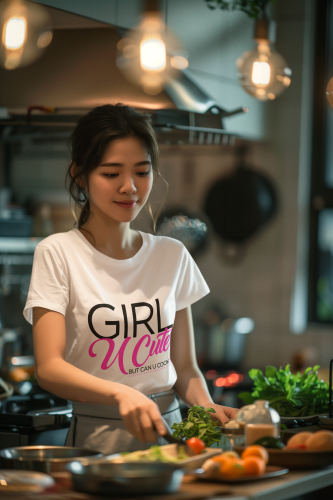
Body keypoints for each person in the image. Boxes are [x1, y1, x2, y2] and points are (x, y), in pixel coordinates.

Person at [23, 104, 238, 454]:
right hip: (97, 440)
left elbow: (184, 368)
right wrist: (122, 393)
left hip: (172, 435)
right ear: (80, 174)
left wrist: (205, 405)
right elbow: (49, 369)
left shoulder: (172, 254)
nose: (129, 187)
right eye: (111, 174)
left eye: (142, 171)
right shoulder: (58, 252)